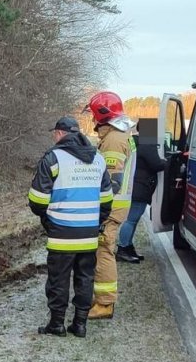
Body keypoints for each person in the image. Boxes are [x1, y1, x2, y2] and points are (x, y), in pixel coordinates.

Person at [28, 116, 113, 338]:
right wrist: (95, 223)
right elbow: (106, 200)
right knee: (85, 278)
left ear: (59, 134)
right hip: (89, 233)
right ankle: (80, 324)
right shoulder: (98, 159)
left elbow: (37, 200)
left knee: (59, 278)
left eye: (54, 134)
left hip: (61, 232)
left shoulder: (53, 158)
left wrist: (48, 220)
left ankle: (56, 324)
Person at [83, 91, 137, 320]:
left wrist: (99, 211)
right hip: (116, 206)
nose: (93, 121)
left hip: (111, 207)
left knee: (103, 250)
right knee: (104, 249)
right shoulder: (120, 135)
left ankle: (105, 304)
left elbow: (111, 182)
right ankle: (102, 299)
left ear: (102, 115)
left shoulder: (114, 140)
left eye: (94, 116)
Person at [116, 131, 167, 263]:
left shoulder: (133, 142)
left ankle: (128, 247)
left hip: (133, 185)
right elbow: (156, 164)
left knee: (132, 219)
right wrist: (167, 161)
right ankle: (122, 248)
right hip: (141, 187)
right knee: (131, 220)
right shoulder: (147, 144)